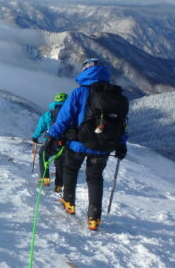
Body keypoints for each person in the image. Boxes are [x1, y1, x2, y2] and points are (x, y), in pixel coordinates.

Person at [47, 58, 128, 231]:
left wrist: (52, 137)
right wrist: (121, 144)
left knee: (70, 169)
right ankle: (94, 218)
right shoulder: (115, 95)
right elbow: (122, 123)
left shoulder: (79, 93)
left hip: (79, 143)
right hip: (104, 146)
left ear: (85, 71)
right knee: (95, 178)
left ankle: (69, 203)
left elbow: (64, 118)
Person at [31, 92, 68, 192]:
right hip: (64, 143)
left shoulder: (48, 114)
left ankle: (45, 178)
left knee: (43, 156)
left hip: (50, 141)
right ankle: (59, 185)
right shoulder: (71, 114)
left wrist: (35, 137)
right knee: (60, 163)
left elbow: (41, 127)